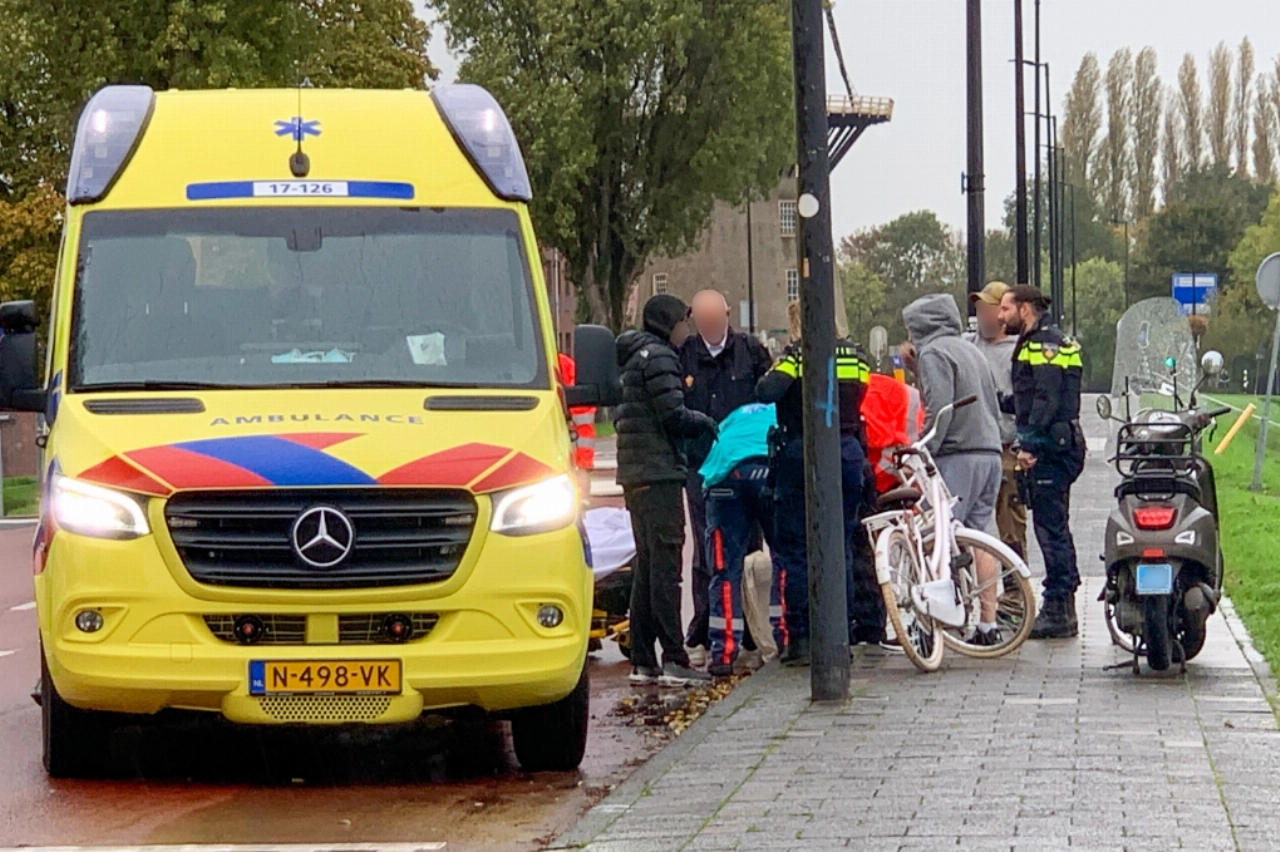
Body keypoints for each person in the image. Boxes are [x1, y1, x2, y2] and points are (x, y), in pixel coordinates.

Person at [756, 302, 872, 666]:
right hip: (849, 450)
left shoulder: (795, 357)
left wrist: (789, 359)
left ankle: (802, 637)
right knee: (841, 544)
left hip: (801, 454)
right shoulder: (857, 357)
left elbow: (766, 391)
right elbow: (861, 389)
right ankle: (842, 632)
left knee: (796, 548)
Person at [615, 294, 718, 686]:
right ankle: (674, 656)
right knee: (667, 567)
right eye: (682, 323)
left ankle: (643, 658)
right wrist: (703, 422)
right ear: (667, 324)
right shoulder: (660, 357)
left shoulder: (635, 356)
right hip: (658, 472)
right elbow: (672, 415)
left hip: (636, 473)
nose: (685, 330)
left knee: (646, 566)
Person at [902, 293, 1005, 645]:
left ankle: (932, 624)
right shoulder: (971, 349)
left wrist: (922, 451)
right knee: (980, 537)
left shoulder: (934, 353)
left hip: (957, 455)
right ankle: (989, 625)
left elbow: (938, 409)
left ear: (920, 326)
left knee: (935, 539)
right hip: (990, 453)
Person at [679, 289, 772, 668]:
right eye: (704, 321)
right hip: (705, 469)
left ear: (728, 315)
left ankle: (750, 632)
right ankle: (705, 633)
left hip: (750, 467)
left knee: (752, 549)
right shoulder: (684, 355)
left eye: (716, 320)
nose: (711, 327)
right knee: (709, 553)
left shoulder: (750, 352)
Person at [997, 284, 1085, 639]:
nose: (1001, 316)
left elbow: (1046, 398)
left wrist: (1030, 445)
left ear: (1025, 310)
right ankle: (1062, 601)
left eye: (1005, 309)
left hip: (1051, 447)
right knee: (1054, 525)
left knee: (1051, 529)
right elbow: (1033, 396)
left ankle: (1059, 608)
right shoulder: (1055, 340)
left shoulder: (1041, 344)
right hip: (1061, 442)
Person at [698, 402, 778, 676]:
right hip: (767, 470)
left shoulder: (735, 415)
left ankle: (723, 654)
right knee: (785, 558)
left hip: (725, 478)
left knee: (724, 569)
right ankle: (785, 641)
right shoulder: (781, 411)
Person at [964, 282, 1027, 559]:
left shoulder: (1018, 352)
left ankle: (1014, 592)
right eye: (979, 309)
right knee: (967, 526)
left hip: (1006, 448)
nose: (982, 316)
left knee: (1010, 524)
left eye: (989, 308)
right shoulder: (967, 345)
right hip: (973, 447)